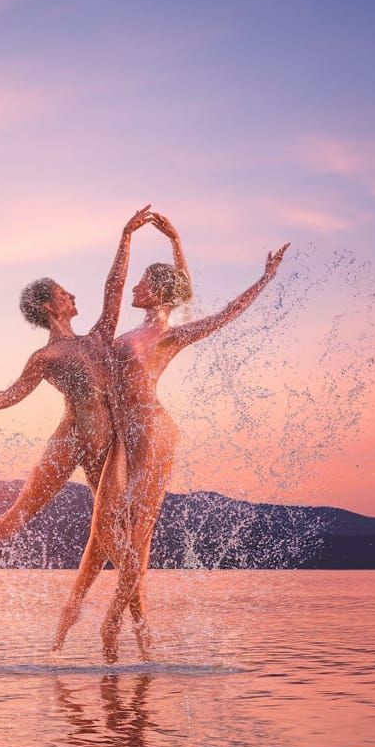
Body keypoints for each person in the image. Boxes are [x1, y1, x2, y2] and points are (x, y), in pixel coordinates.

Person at [54, 225, 289, 662]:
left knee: (138, 536)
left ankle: (114, 625)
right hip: (125, 439)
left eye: (143, 281)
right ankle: (127, 630)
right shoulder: (136, 330)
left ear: (159, 294)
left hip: (154, 435)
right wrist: (175, 243)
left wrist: (263, 279)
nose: (135, 287)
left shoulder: (168, 334)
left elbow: (225, 314)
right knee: (103, 528)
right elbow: (181, 290)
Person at [0, 206, 155, 605]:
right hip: (69, 440)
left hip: (106, 447)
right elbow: (9, 396)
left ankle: (133, 626)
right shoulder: (45, 358)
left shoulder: (97, 338)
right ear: (50, 307)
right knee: (17, 515)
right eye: (65, 293)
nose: (73, 295)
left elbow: (113, 289)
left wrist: (126, 237)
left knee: (118, 533)